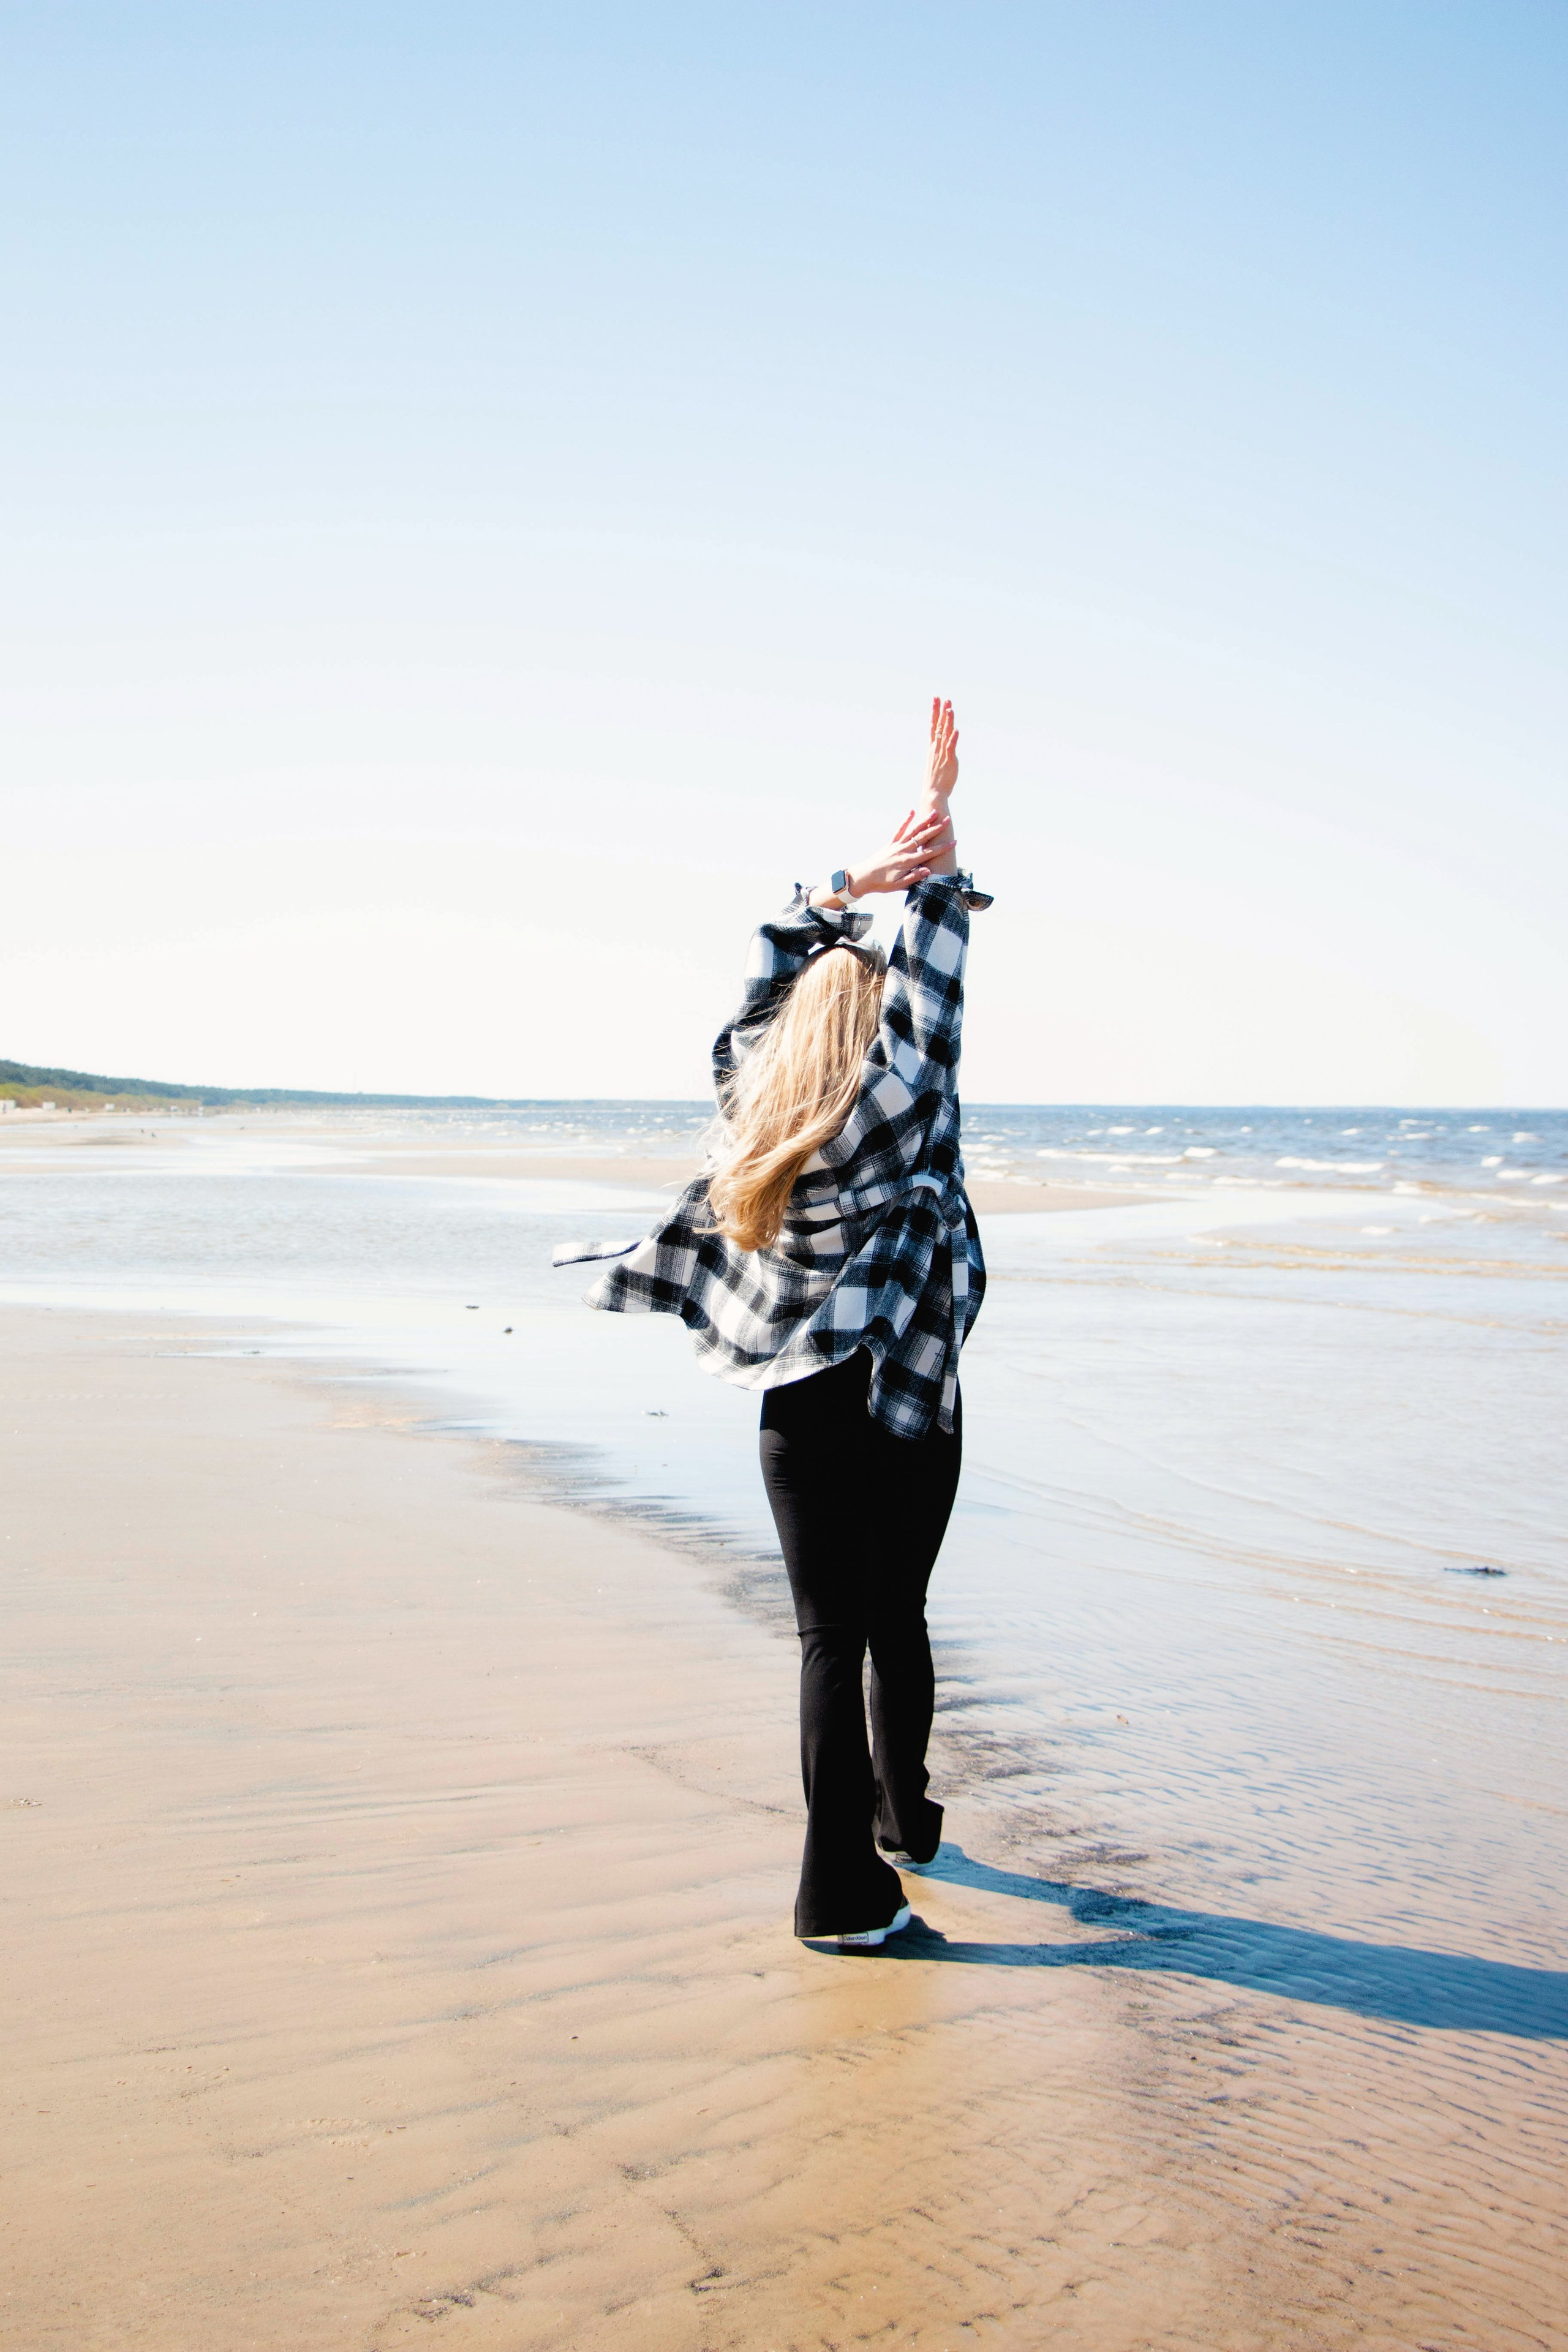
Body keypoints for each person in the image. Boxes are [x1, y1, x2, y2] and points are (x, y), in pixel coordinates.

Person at [556, 699, 991, 1948]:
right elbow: (941, 965)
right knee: (894, 1615)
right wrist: (935, 839)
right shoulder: (904, 1092)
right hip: (900, 1399)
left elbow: (767, 961)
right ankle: (879, 1849)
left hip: (795, 1408)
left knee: (825, 1637)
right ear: (879, 1014)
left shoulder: (751, 1091)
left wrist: (860, 875)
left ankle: (861, 1862)